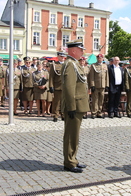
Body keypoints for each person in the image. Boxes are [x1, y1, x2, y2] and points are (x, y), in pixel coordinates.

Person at [61, 39, 89, 173]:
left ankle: (73, 159)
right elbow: (69, 88)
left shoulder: (74, 64)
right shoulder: (70, 64)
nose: (83, 52)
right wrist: (71, 107)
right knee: (71, 135)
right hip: (74, 106)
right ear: (73, 50)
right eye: (81, 49)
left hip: (78, 105)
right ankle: (69, 162)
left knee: (75, 135)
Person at [88, 54, 109, 119]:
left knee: (101, 99)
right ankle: (94, 112)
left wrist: (107, 85)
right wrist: (92, 85)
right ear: (97, 59)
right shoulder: (93, 65)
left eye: (101, 58)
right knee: (95, 100)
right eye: (98, 58)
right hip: (96, 85)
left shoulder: (105, 66)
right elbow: (91, 76)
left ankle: (99, 112)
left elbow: (106, 77)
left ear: (103, 59)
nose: (100, 59)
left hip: (102, 85)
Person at [49, 52, 66, 122]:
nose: (62, 58)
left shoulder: (66, 64)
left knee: (64, 102)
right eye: (61, 56)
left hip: (65, 86)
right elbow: (51, 76)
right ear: (58, 57)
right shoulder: (54, 65)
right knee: (57, 102)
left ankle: (63, 114)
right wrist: (51, 86)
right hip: (57, 86)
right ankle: (55, 115)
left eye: (63, 57)